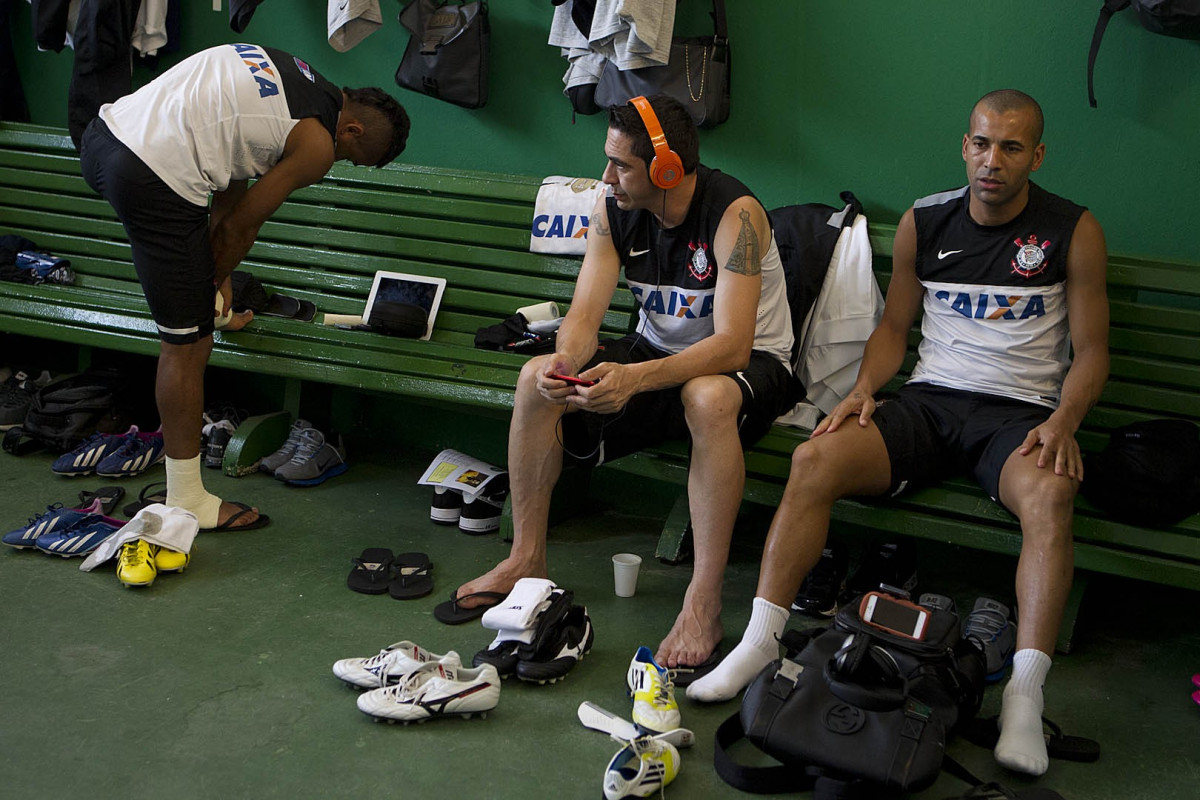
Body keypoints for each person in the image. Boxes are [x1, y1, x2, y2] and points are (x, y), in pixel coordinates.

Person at [687, 90, 1109, 779]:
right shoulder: (926, 219)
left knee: (1052, 496)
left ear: (1037, 155)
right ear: (964, 145)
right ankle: (762, 642)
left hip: (1017, 412)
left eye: (1010, 147)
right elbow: (892, 330)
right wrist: (861, 392)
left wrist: (1064, 421)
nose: (991, 161)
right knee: (814, 460)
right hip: (929, 404)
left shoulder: (1072, 229)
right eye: (980, 143)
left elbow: (1091, 351)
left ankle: (1025, 696)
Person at [454, 94, 798, 672]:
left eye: (622, 166)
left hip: (753, 364)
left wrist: (634, 379)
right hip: (656, 353)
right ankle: (526, 559)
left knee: (706, 395)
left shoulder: (736, 215)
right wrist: (565, 362)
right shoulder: (610, 209)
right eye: (608, 161)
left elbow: (734, 344)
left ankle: (702, 600)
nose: (607, 177)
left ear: (666, 169)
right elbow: (585, 317)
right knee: (534, 376)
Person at [79, 43, 410, 532]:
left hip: (103, 138)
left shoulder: (293, 70)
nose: (337, 164)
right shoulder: (318, 144)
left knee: (196, 312)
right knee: (188, 345)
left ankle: (206, 311)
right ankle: (187, 498)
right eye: (351, 157)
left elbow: (228, 172)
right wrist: (213, 282)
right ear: (353, 129)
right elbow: (241, 228)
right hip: (154, 175)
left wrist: (215, 288)